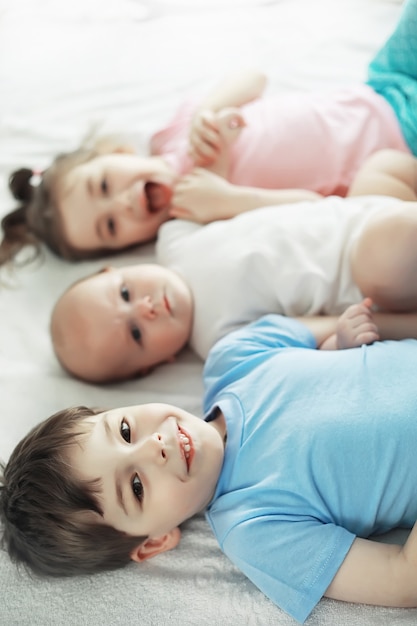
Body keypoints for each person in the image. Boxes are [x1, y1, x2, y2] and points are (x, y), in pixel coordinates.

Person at [3, 308, 417, 625]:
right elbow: (401, 580)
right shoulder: (253, 530)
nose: (155, 447)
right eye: (136, 487)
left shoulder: (236, 358)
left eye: (126, 430)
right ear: (154, 541)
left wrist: (340, 342)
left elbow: (363, 322)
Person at [2, 0, 417, 265]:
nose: (124, 202)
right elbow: (316, 210)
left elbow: (254, 77)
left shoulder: (175, 131)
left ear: (118, 151)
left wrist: (210, 108)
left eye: (105, 183)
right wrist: (230, 201)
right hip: (401, 148)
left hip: (381, 86)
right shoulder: (199, 225)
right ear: (125, 247)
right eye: (110, 226)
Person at [50, 148, 417, 382]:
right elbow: (304, 337)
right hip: (369, 275)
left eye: (126, 293)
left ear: (113, 270)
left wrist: (217, 144)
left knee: (383, 163)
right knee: (389, 252)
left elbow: (213, 187)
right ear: (153, 365)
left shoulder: (175, 237)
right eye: (135, 334)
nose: (144, 309)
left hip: (357, 208)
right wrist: (353, 337)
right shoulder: (222, 341)